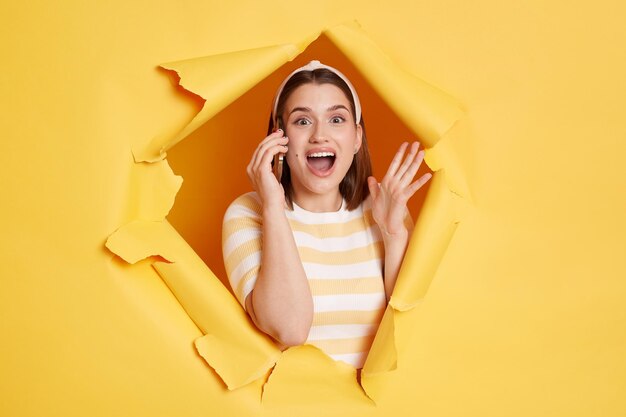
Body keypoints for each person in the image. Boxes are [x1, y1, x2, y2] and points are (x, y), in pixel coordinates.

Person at [222, 60, 432, 369]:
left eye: (336, 119)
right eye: (302, 121)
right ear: (280, 138)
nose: (320, 135)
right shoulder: (249, 214)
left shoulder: (386, 212)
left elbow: (415, 333)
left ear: (357, 137)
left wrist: (394, 235)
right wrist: (272, 207)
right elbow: (290, 329)